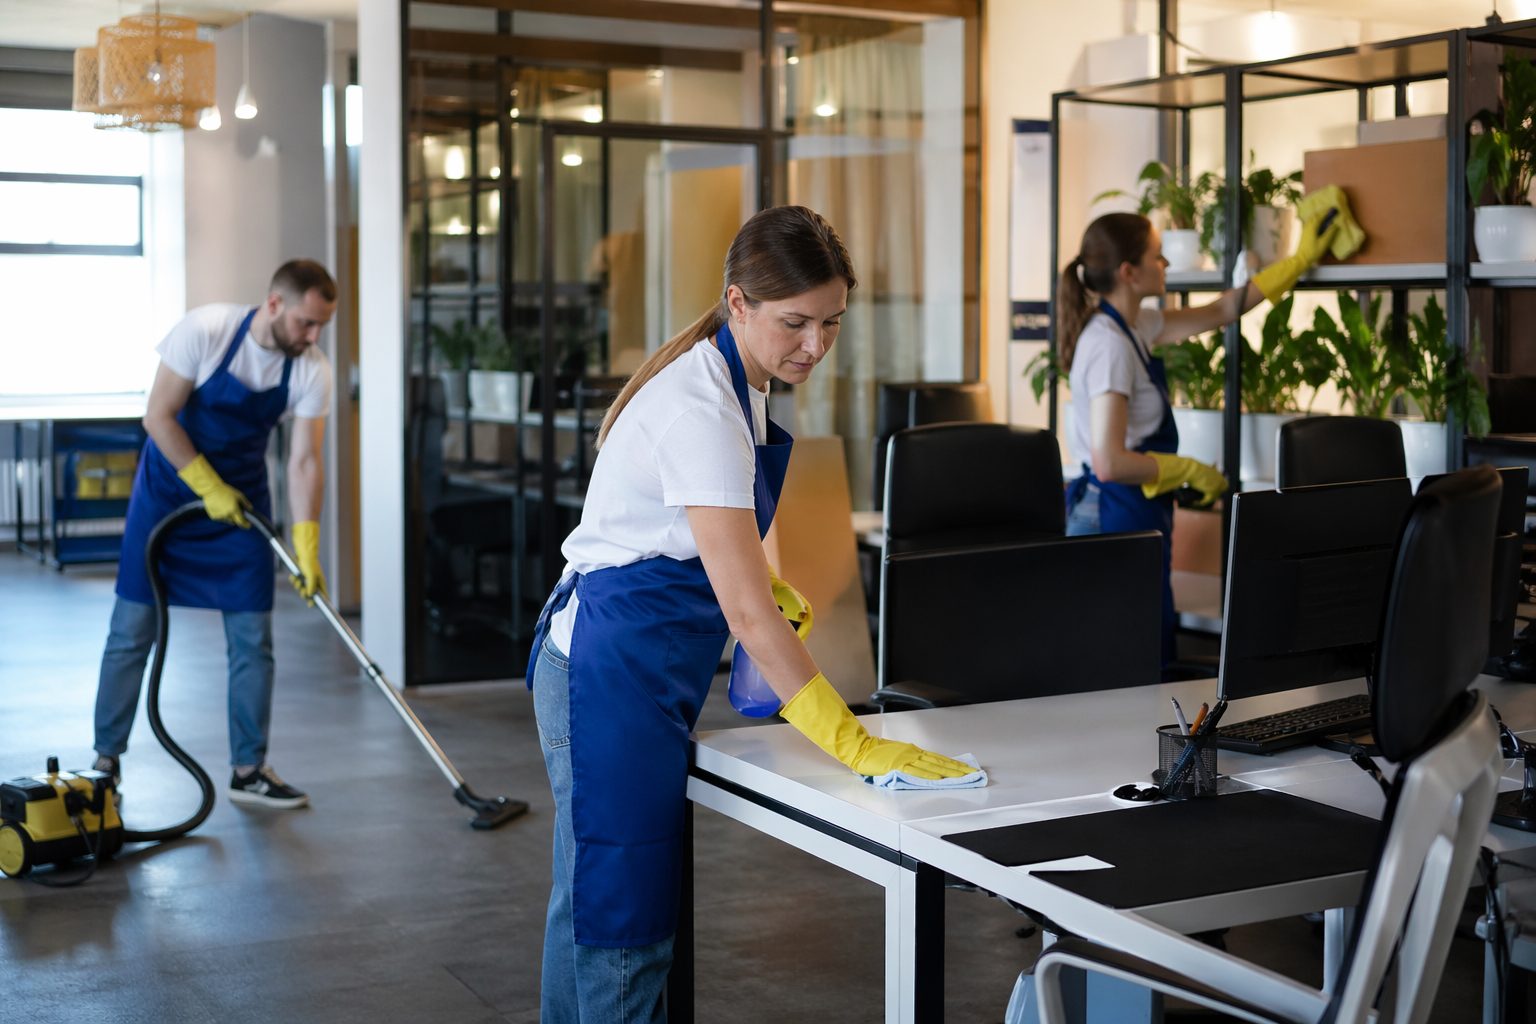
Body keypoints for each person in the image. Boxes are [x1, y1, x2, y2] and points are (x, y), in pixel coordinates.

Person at [527, 206, 973, 1022]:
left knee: (591, 902)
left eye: (832, 322)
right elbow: (741, 605)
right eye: (795, 323)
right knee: (623, 921)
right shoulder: (702, 407)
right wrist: (855, 741)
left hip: (629, 661)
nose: (815, 344)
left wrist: (770, 592)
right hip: (608, 673)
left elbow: (721, 555)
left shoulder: (742, 383)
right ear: (738, 305)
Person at [92, 259, 337, 810]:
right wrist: (204, 483)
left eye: (322, 326)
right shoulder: (207, 330)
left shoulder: (311, 368)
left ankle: (249, 769)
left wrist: (306, 543)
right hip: (167, 497)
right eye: (305, 322)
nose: (313, 336)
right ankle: (105, 762)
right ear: (274, 304)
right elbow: (159, 416)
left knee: (253, 639)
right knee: (132, 630)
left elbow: (304, 462)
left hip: (239, 509)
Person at [1059, 210, 1339, 666]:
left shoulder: (1136, 327)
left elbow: (1224, 309)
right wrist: (1184, 469)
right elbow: (1109, 461)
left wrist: (1301, 258)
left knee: (1147, 654)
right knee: (1127, 667)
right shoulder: (1109, 345)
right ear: (1130, 273)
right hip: (1112, 517)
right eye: (1157, 255)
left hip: (1134, 514)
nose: (1166, 263)